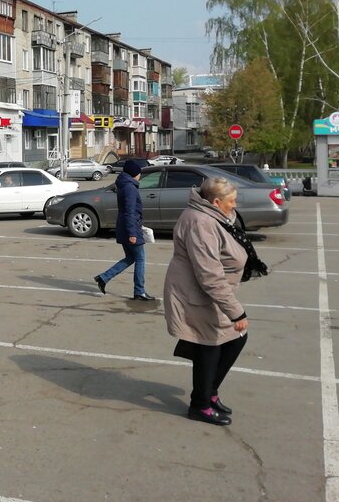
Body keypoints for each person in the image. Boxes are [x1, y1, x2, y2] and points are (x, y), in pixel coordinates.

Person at [163, 177, 249, 426]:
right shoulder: (201, 222)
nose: (235, 205)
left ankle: (209, 393)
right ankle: (200, 405)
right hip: (195, 293)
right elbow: (209, 274)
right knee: (211, 345)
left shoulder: (211, 215)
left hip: (205, 293)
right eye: (231, 201)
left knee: (228, 341)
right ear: (216, 202)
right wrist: (236, 312)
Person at [93, 159, 155, 301]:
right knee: (140, 258)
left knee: (131, 257)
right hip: (130, 228)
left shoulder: (124, 184)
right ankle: (139, 291)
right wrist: (132, 233)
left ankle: (103, 278)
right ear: (134, 174)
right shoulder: (130, 188)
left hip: (125, 226)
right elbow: (130, 212)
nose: (140, 176)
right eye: (139, 173)